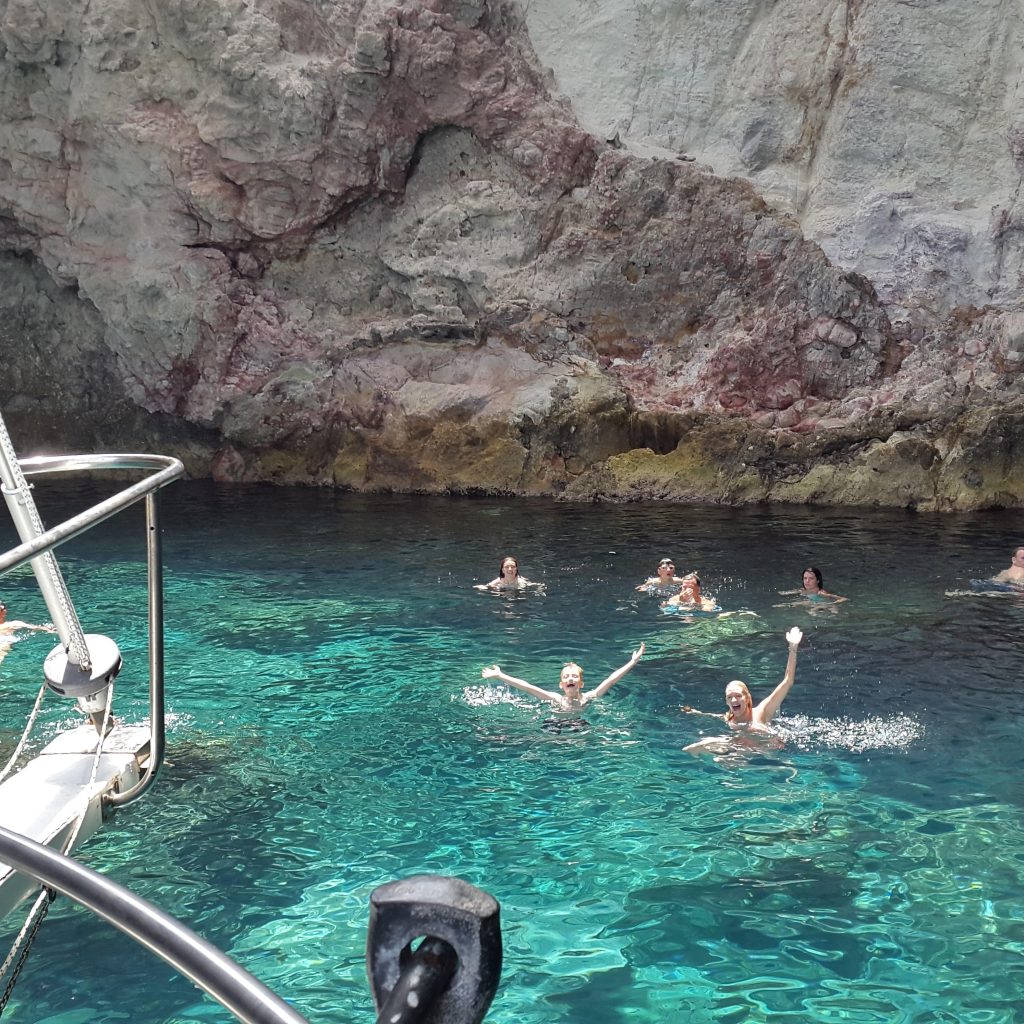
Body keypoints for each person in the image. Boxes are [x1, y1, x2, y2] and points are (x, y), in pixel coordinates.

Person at [680, 627, 803, 752]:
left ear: (748, 698)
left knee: (716, 746)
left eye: (738, 696)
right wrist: (696, 713)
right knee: (722, 759)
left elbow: (788, 681)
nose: (734, 700)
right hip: (745, 752)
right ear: (726, 702)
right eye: (729, 697)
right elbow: (715, 716)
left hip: (769, 751)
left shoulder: (762, 711)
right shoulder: (729, 719)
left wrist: (793, 649)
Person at [481, 643, 645, 710]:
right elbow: (527, 687)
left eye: (574, 676)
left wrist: (633, 662)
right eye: (566, 677)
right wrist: (500, 675)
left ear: (581, 683)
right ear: (561, 685)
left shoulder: (590, 696)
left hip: (579, 725)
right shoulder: (555, 699)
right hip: (555, 724)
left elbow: (611, 680)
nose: (570, 679)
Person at [0, 599, 57, 669]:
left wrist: (48, 630)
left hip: (4, 640)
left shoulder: (12, 624)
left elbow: (34, 627)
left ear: (4, 612)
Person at [777, 567, 846, 604]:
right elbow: (782, 593)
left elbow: (843, 599)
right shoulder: (802, 590)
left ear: (818, 580)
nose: (807, 581)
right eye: (805, 578)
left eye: (811, 578)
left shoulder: (821, 593)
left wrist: (833, 603)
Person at [475, 555, 543, 591]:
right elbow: (486, 586)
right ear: (502, 570)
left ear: (516, 569)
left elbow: (536, 585)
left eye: (512, 567)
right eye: (507, 567)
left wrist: (539, 589)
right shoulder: (498, 581)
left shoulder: (521, 581)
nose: (510, 569)